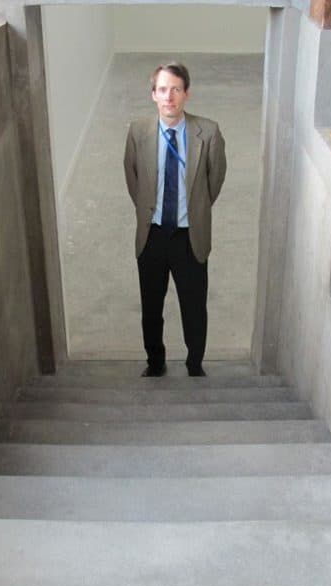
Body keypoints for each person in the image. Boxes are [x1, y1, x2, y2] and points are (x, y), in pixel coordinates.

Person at [123, 62, 227, 377]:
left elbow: (215, 180)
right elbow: (133, 177)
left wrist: (193, 210)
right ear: (154, 94)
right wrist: (149, 212)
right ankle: (155, 363)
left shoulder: (207, 132)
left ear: (186, 94)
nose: (170, 97)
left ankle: (195, 364)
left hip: (189, 237)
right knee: (151, 309)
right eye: (163, 89)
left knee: (194, 308)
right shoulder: (138, 131)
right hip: (152, 235)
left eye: (176, 90)